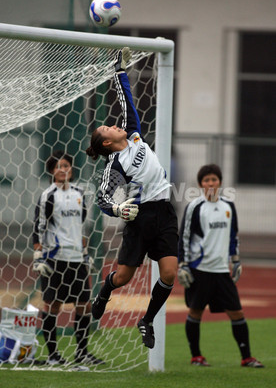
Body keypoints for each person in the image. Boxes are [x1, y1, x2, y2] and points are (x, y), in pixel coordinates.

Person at [86, 47, 178, 349]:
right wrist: (118, 208)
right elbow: (102, 199)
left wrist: (120, 70)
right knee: (123, 277)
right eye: (107, 128)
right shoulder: (115, 165)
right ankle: (104, 292)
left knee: (169, 273)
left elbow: (128, 100)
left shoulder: (134, 134)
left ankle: (147, 320)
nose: (113, 124)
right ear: (108, 142)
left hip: (165, 212)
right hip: (140, 219)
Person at [178, 164, 264, 368]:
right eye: (206, 180)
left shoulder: (228, 206)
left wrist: (235, 260)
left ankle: (247, 358)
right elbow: (184, 236)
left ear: (220, 182)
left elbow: (233, 235)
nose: (210, 183)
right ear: (200, 184)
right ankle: (196, 357)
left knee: (237, 313)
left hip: (221, 270)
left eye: (214, 180)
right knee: (195, 312)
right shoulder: (194, 207)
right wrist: (183, 265)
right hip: (199, 270)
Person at [32, 150, 104, 365]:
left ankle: (82, 353)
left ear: (71, 169)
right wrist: (38, 256)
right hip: (56, 259)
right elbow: (39, 227)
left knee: (84, 306)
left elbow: (79, 227)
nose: (63, 169)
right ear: (52, 172)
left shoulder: (79, 193)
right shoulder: (48, 195)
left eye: (66, 165)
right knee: (52, 306)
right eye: (58, 166)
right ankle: (53, 355)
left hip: (76, 259)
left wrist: (85, 254)